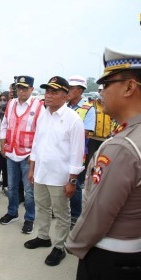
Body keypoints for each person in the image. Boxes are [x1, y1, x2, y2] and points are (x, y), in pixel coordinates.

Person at [66, 48, 141, 280]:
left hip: (110, 255)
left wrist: (74, 243)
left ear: (129, 87)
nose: (101, 93)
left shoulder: (121, 147)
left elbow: (98, 212)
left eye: (106, 84)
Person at [25, 76, 84, 267]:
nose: (48, 96)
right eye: (47, 91)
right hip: (41, 172)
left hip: (60, 177)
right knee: (41, 207)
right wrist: (32, 168)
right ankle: (43, 236)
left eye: (54, 92)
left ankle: (59, 246)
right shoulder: (44, 114)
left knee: (61, 214)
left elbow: (77, 154)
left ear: (66, 96)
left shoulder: (73, 120)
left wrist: (72, 181)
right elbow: (37, 143)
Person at [0, 76, 45, 234]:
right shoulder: (11, 104)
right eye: (19, 88)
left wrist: (34, 157)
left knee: (29, 191)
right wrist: (2, 144)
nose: (21, 91)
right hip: (11, 152)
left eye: (25, 88)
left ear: (32, 89)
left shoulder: (39, 106)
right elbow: (4, 125)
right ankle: (12, 212)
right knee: (11, 187)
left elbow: (41, 134)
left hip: (28, 155)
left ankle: (29, 218)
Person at [67, 75, 96, 229]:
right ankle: (62, 210)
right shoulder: (65, 106)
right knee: (60, 182)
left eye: (71, 88)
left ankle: (75, 215)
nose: (68, 91)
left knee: (75, 185)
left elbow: (85, 133)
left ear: (79, 90)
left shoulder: (88, 109)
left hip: (77, 154)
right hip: (62, 152)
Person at [87, 84, 112, 160]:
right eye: (100, 91)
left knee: (101, 160)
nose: (102, 93)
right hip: (91, 138)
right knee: (90, 160)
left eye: (104, 90)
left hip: (105, 139)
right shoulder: (91, 105)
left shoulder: (110, 106)